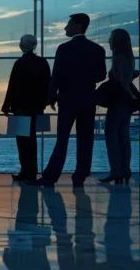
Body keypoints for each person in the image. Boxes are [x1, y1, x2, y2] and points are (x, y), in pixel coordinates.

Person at [30, 14, 107, 187]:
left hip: (67, 98)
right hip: (87, 98)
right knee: (86, 138)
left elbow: (56, 75)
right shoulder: (97, 49)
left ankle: (51, 177)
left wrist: (51, 97)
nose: (65, 27)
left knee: (62, 139)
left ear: (78, 26)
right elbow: (101, 75)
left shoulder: (64, 49)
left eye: (68, 24)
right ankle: (80, 175)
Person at [1, 34, 51, 182]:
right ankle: (31, 173)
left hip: (20, 108)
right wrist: (46, 102)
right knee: (32, 141)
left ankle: (25, 171)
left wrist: (6, 107)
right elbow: (48, 84)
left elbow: (12, 87)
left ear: (22, 45)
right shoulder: (42, 62)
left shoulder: (19, 63)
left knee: (22, 142)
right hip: (36, 107)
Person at [99, 29, 137, 184]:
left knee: (112, 137)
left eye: (111, 38)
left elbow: (122, 82)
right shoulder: (129, 58)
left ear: (116, 41)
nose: (109, 40)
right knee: (123, 137)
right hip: (126, 105)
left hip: (117, 103)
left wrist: (128, 92)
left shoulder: (118, 59)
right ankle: (125, 170)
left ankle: (116, 171)